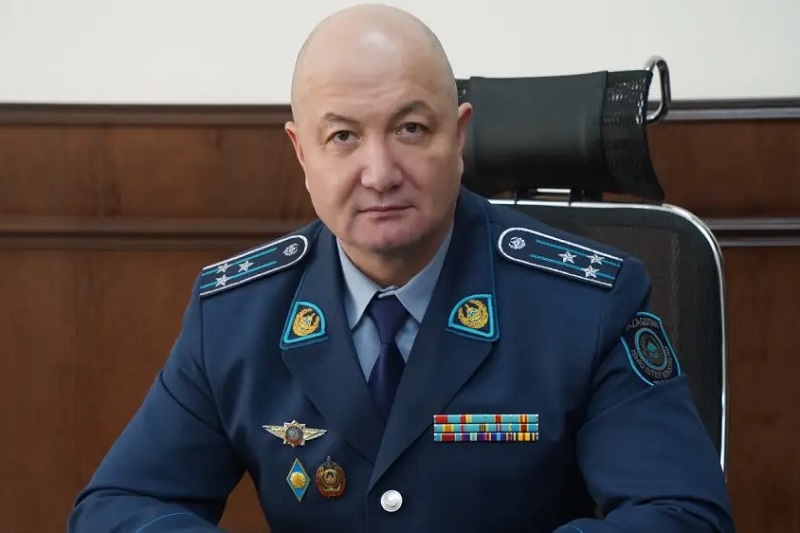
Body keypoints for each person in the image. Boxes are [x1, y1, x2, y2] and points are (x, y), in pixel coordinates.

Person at [68, 4, 735, 532]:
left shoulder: (589, 303)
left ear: (459, 136)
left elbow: (679, 513)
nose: (380, 173)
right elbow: (119, 505)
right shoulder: (236, 314)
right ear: (302, 153)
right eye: (343, 136)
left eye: (411, 129)